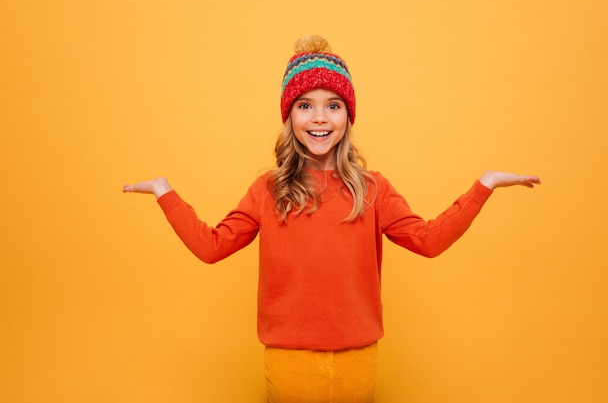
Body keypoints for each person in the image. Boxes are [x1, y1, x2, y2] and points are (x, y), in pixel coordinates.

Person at [123, 35, 540, 403]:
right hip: (289, 361)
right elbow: (211, 247)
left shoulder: (373, 188)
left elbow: (427, 240)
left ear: (348, 116)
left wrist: (483, 186)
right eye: (305, 106)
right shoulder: (267, 190)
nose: (320, 118)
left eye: (333, 106)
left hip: (359, 359)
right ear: (290, 117)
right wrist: (166, 192)